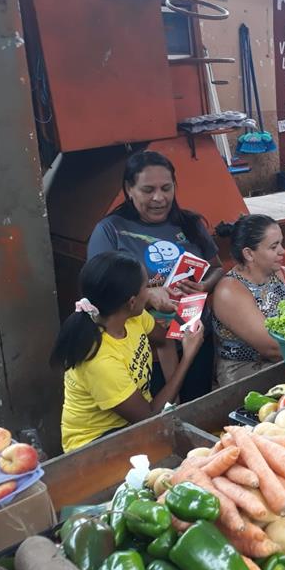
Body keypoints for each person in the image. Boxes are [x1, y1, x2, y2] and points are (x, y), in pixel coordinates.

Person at [87, 151, 223, 402]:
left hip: (194, 335)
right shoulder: (110, 231)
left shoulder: (190, 224)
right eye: (148, 190)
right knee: (158, 416)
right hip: (144, 348)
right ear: (129, 189)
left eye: (166, 188)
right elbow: (97, 293)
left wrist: (203, 285)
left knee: (197, 406)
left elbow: (217, 268)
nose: (159, 198)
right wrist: (148, 294)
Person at [53, 252, 203, 452]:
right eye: (146, 287)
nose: (150, 291)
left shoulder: (132, 318)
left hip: (133, 423)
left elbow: (164, 341)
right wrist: (188, 355)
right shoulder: (99, 359)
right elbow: (148, 417)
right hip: (94, 444)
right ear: (131, 302)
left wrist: (173, 399)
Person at [211, 214, 285, 385]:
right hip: (245, 371)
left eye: (281, 243)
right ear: (249, 254)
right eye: (274, 246)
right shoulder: (230, 291)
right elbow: (272, 347)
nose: (282, 251)